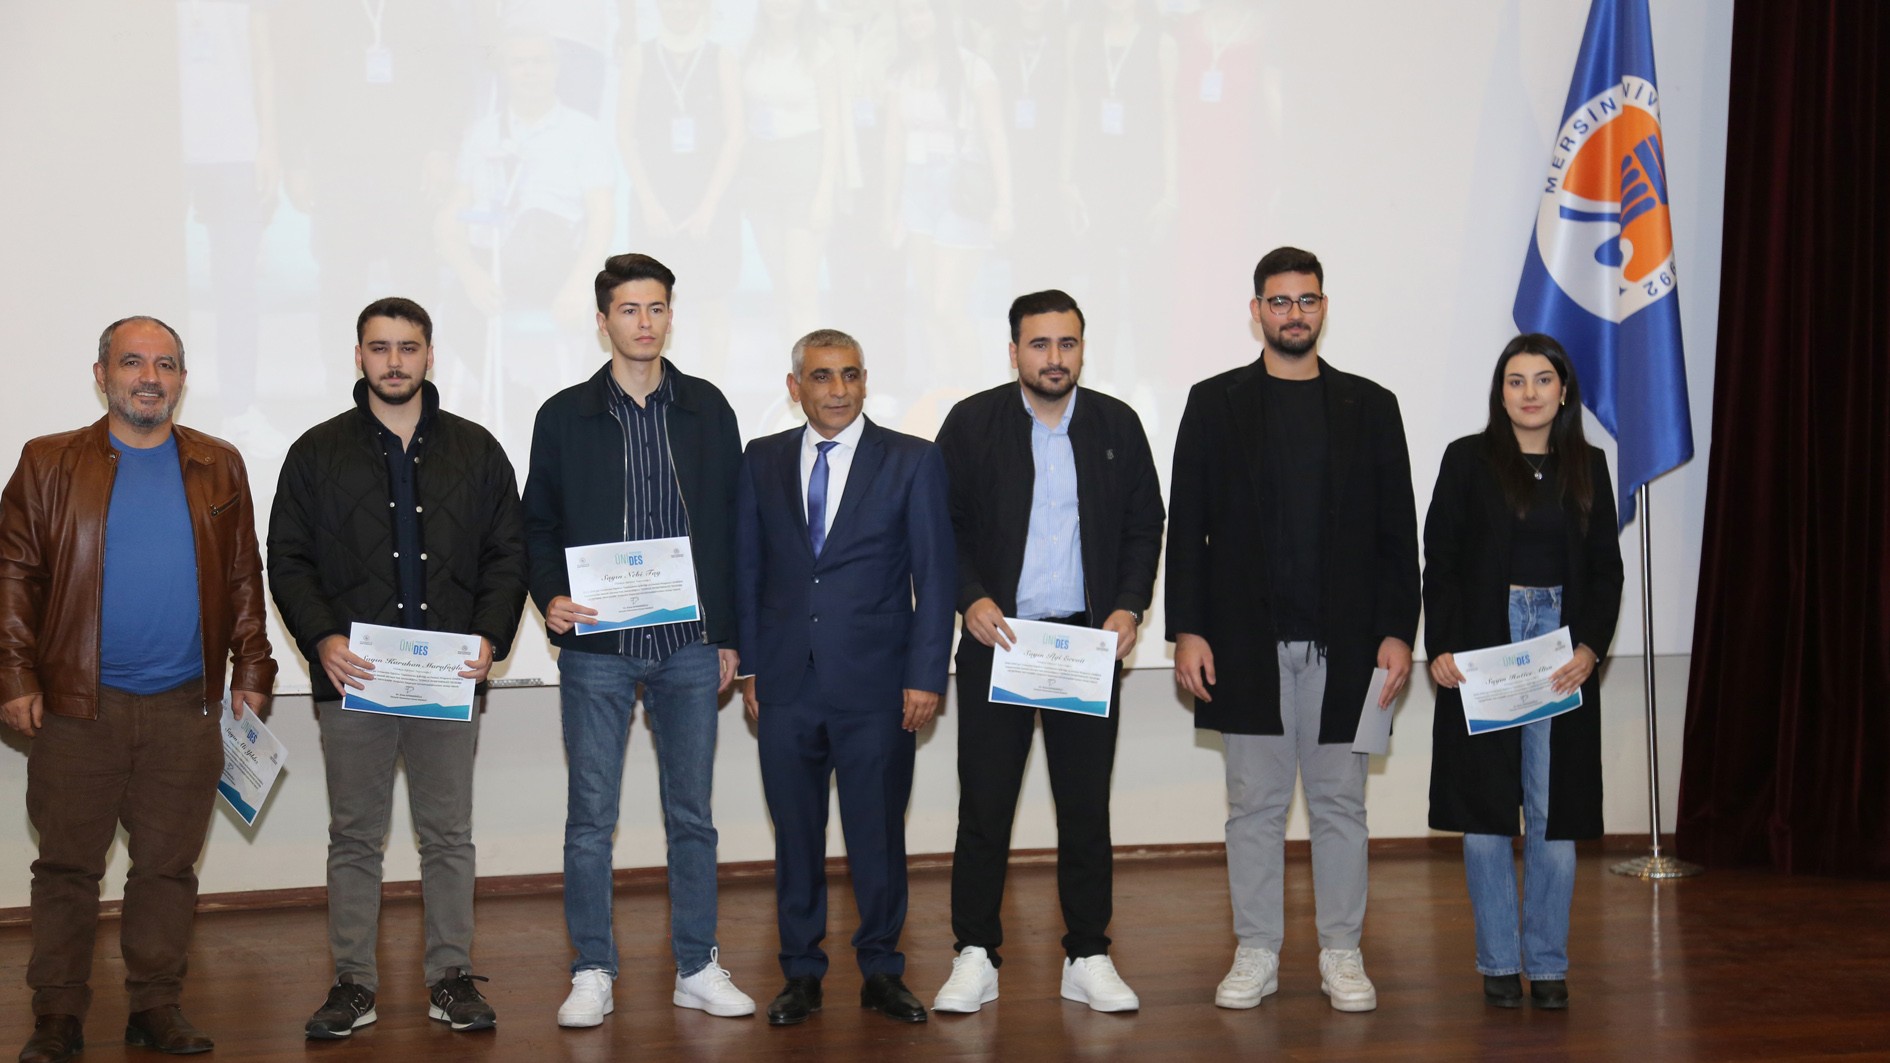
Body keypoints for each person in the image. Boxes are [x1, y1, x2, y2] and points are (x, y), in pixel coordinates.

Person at [1, 317, 276, 1063]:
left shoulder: (219, 465)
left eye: (165, 364)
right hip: (76, 708)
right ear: (102, 375)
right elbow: (13, 574)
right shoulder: (48, 461)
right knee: (67, 869)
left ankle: (155, 1007)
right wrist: (15, 673)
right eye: (132, 362)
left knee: (167, 869)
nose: (149, 377)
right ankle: (57, 1014)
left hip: (186, 707)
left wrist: (254, 667)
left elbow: (242, 574)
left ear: (182, 379)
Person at [1166, 246, 1419, 1013]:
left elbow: (1397, 532)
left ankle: (1342, 951)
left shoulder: (1372, 405)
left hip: (1352, 649)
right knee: (1254, 807)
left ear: (1323, 308)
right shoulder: (1214, 403)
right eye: (1279, 301)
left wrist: (1398, 630)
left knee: (1342, 805)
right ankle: (1258, 950)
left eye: (1306, 300)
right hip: (1245, 647)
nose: (1294, 313)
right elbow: (1189, 527)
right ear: (1257, 312)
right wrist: (1187, 629)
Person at [266, 297, 528, 1038]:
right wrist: (321, 637)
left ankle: (451, 977)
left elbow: (508, 554)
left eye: (407, 347)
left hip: (447, 681)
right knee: (354, 836)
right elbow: (287, 557)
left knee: (448, 836)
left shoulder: (477, 449)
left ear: (429, 355)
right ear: (359, 356)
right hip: (354, 681)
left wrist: (490, 635)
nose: (394, 361)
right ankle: (353, 983)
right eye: (379, 348)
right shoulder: (315, 452)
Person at [522, 253, 755, 1026]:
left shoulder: (708, 407)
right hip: (598, 649)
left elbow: (733, 526)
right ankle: (593, 967)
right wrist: (549, 594)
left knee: (692, 815)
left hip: (690, 643)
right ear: (603, 321)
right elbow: (537, 524)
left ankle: (697, 964)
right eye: (628, 309)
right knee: (591, 820)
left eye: (656, 307)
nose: (644, 321)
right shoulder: (564, 415)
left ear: (669, 316)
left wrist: (729, 635)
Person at [930, 291, 1164, 1014]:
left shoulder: (1117, 424)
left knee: (1085, 807)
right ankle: (975, 954)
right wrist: (970, 596)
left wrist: (1129, 605)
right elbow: (942, 524)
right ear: (1014, 352)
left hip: (1083, 646)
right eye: (1040, 344)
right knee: (985, 807)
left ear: (1082, 349)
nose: (1055, 358)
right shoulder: (972, 422)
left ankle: (1088, 954)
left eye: (1067, 343)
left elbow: (1144, 524)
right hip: (999, 641)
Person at [734, 329, 955, 1026]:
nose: (839, 390)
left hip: (880, 686)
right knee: (795, 836)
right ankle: (800, 973)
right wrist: (751, 666)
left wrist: (926, 674)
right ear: (794, 387)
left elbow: (936, 576)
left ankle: (881, 971)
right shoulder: (762, 458)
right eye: (823, 376)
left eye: (851, 375)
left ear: (865, 381)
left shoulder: (913, 459)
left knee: (877, 836)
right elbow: (748, 568)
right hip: (786, 684)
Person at [1423, 334, 1624, 1010]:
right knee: (1486, 810)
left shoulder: (1589, 466)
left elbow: (1606, 570)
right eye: (1516, 380)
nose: (1529, 392)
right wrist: (1444, 644)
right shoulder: (1467, 459)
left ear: (1564, 391)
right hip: (1487, 641)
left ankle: (1548, 960)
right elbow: (1442, 559)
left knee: (1551, 810)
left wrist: (1591, 646)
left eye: (1543, 379)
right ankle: (1500, 961)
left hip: (1561, 651)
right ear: (1500, 392)